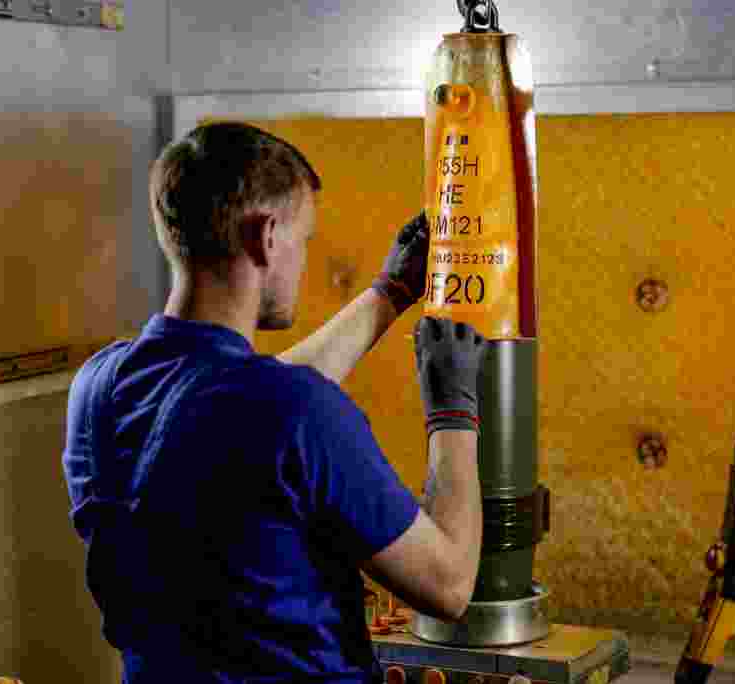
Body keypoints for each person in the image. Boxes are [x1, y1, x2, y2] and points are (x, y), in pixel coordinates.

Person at [62, 121, 489, 683]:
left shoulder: (98, 387)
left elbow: (233, 400)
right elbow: (449, 585)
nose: (304, 261)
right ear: (266, 236)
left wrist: (388, 296)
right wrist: (453, 412)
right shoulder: (293, 412)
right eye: (303, 240)